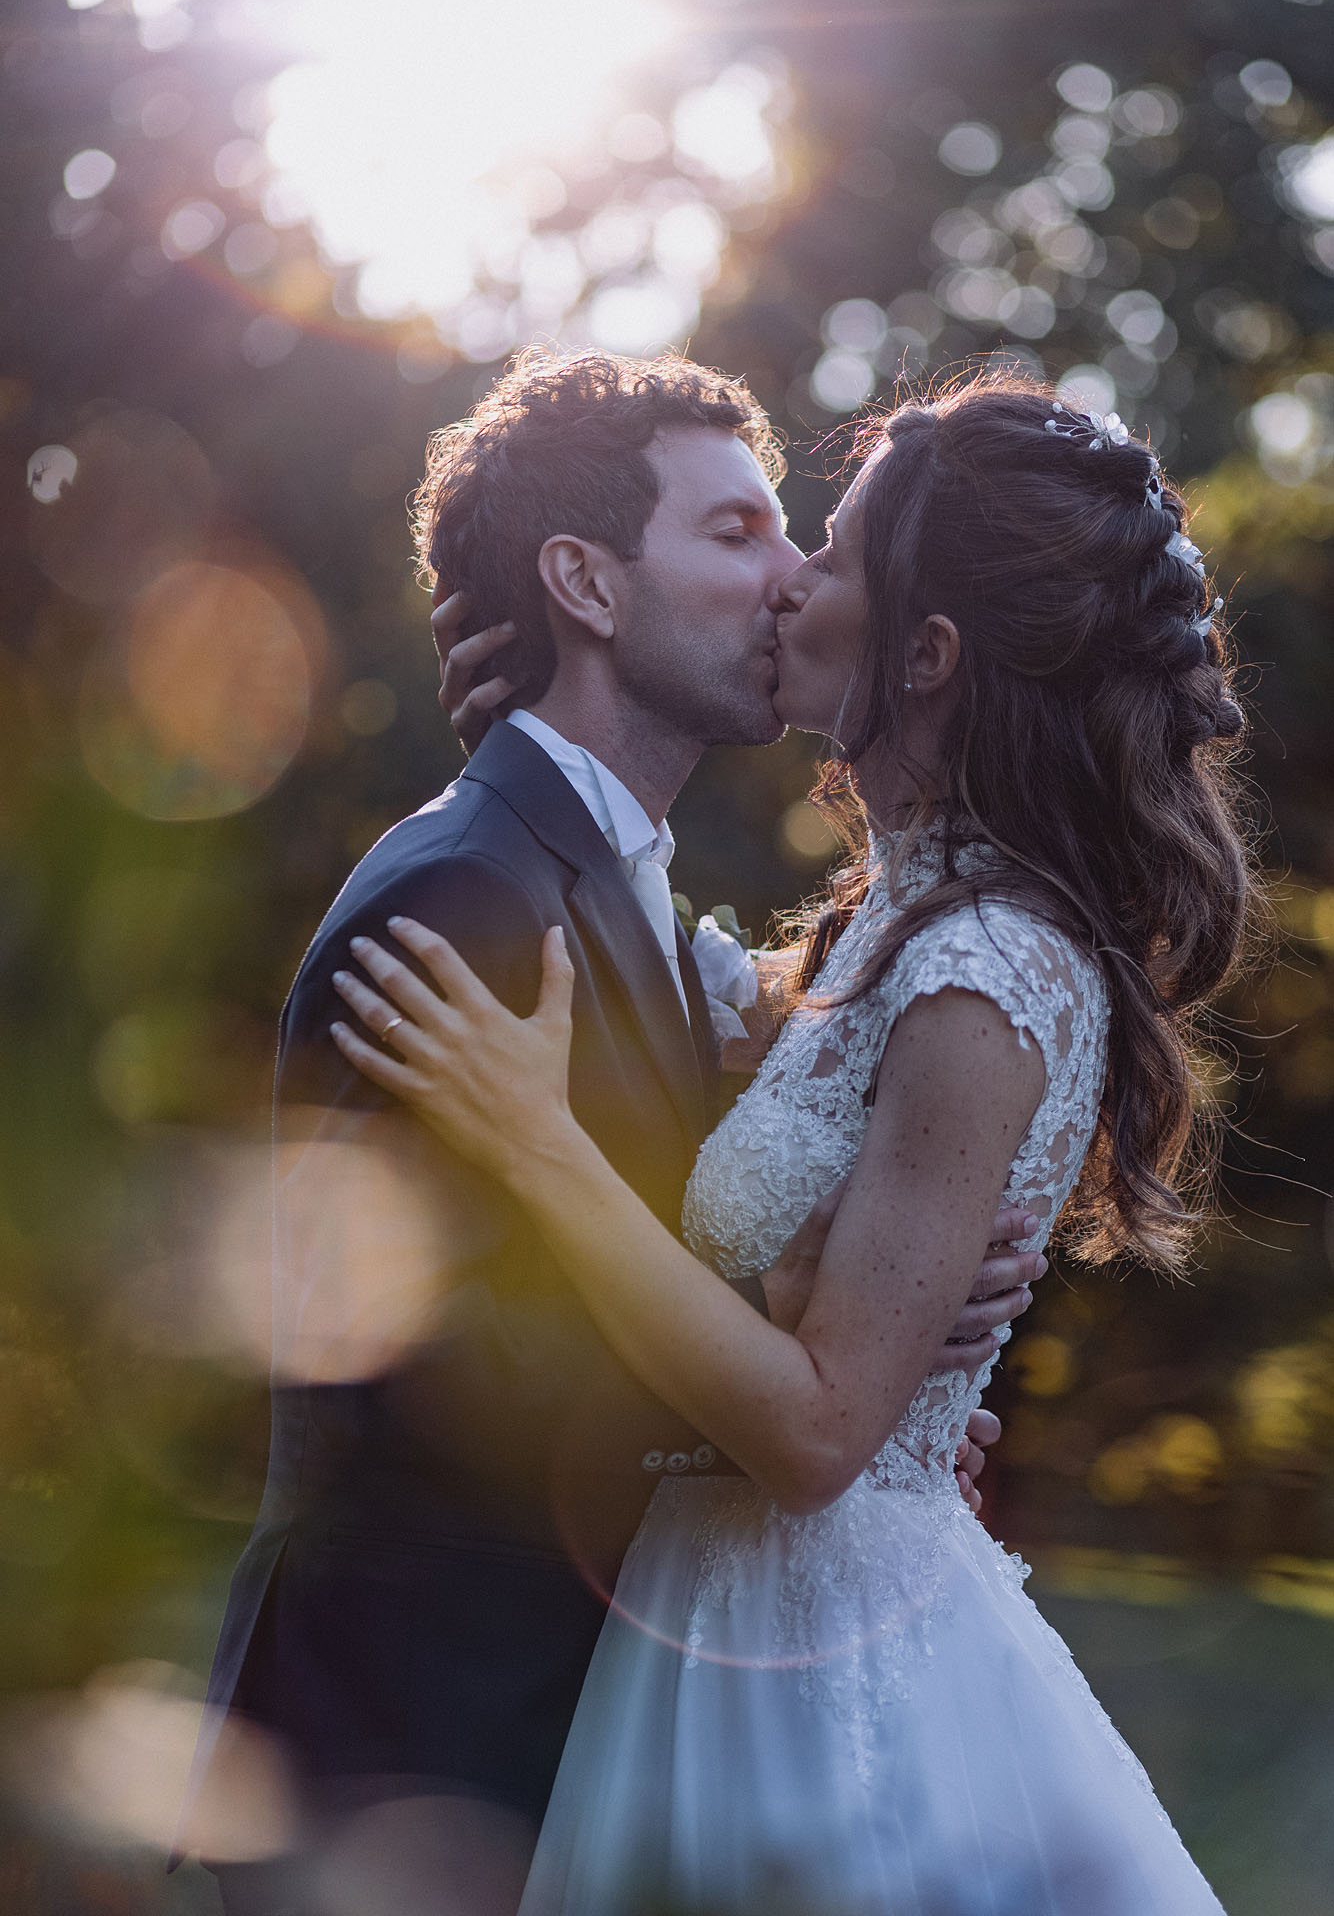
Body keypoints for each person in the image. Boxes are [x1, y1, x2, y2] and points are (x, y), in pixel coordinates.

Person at [331, 379, 1254, 1915]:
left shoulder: (988, 971)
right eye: (754, 532)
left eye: (821, 549)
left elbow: (823, 1435)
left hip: (816, 1679)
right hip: (695, 1626)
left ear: (926, 656)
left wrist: (537, 1141)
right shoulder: (878, 927)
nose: (790, 579)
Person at [187, 352, 1038, 1915]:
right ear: (583, 581)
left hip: (528, 1746)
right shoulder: (466, 897)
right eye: (735, 534)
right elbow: (452, 1375)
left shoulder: (597, 875)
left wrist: (861, 1391)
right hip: (416, 1765)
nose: (790, 583)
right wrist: (813, 1391)